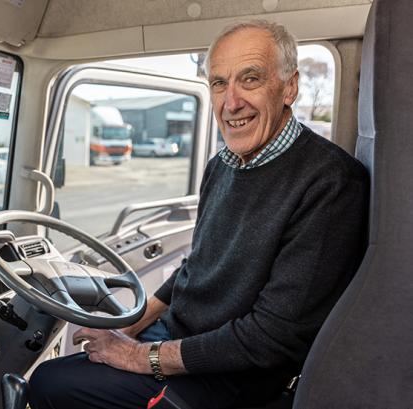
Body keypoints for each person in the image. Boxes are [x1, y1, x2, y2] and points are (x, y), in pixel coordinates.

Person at [29, 20, 369, 409]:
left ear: (289, 87)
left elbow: (271, 337)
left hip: (235, 378)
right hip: (181, 340)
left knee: (49, 382)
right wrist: (132, 324)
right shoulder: (222, 165)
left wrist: (140, 357)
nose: (231, 102)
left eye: (251, 79)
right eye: (219, 83)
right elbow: (197, 266)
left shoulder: (331, 183)